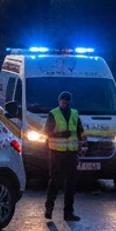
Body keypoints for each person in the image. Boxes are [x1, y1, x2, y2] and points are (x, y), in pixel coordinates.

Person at [45, 91, 85, 222]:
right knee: (55, 181)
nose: (64, 103)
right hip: (56, 152)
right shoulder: (53, 114)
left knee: (70, 184)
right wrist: (61, 134)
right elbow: (46, 132)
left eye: (67, 101)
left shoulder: (74, 114)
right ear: (59, 101)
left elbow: (80, 132)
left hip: (71, 153)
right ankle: (49, 208)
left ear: (70, 102)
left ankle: (68, 212)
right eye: (63, 100)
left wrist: (82, 147)